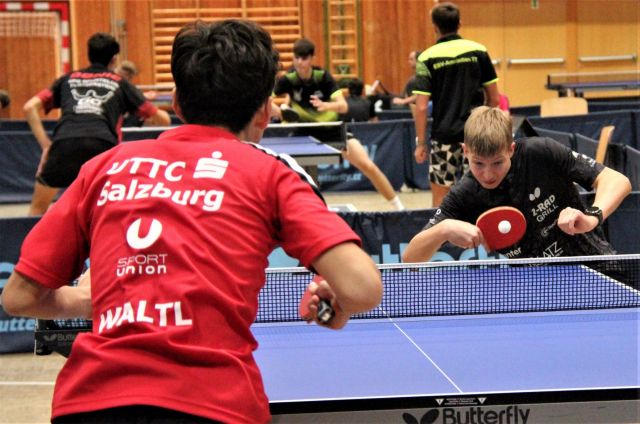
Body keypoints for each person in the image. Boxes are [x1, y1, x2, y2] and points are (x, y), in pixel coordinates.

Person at [1, 20, 382, 424]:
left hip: (90, 403)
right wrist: (338, 300)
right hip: (215, 402)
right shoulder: (271, 175)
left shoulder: (104, 168)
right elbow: (361, 287)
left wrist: (84, 300)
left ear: (177, 103)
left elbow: (19, 298)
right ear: (264, 112)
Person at [402, 106, 632, 263]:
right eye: (478, 163)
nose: (488, 174)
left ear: (511, 149)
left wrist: (592, 217)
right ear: (465, 152)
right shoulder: (465, 193)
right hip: (534, 288)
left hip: (595, 265)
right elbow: (410, 259)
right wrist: (443, 229)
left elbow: (617, 180)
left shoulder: (542, 153)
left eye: (497, 162)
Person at [23, 32, 171, 216]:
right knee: (111, 208)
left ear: (89, 54)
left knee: (38, 208)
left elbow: (29, 107)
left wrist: (46, 146)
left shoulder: (68, 79)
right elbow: (162, 119)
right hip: (102, 146)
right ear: (114, 59)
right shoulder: (120, 83)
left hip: (64, 144)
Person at [273, 38, 405, 211]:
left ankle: (399, 209)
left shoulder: (323, 77)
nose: (299, 62)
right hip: (304, 132)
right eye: (296, 57)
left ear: (312, 58)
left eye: (304, 58)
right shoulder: (288, 79)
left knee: (367, 165)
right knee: (289, 174)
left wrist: (325, 106)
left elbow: (343, 106)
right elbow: (266, 99)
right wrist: (280, 111)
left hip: (331, 129)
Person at [413, 2, 500, 207]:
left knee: (440, 201)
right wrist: (485, 127)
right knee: (481, 196)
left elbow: (421, 107)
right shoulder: (479, 51)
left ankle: (444, 230)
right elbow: (494, 99)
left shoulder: (426, 58)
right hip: (476, 136)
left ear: (435, 27)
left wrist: (421, 143)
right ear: (459, 23)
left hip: (444, 137)